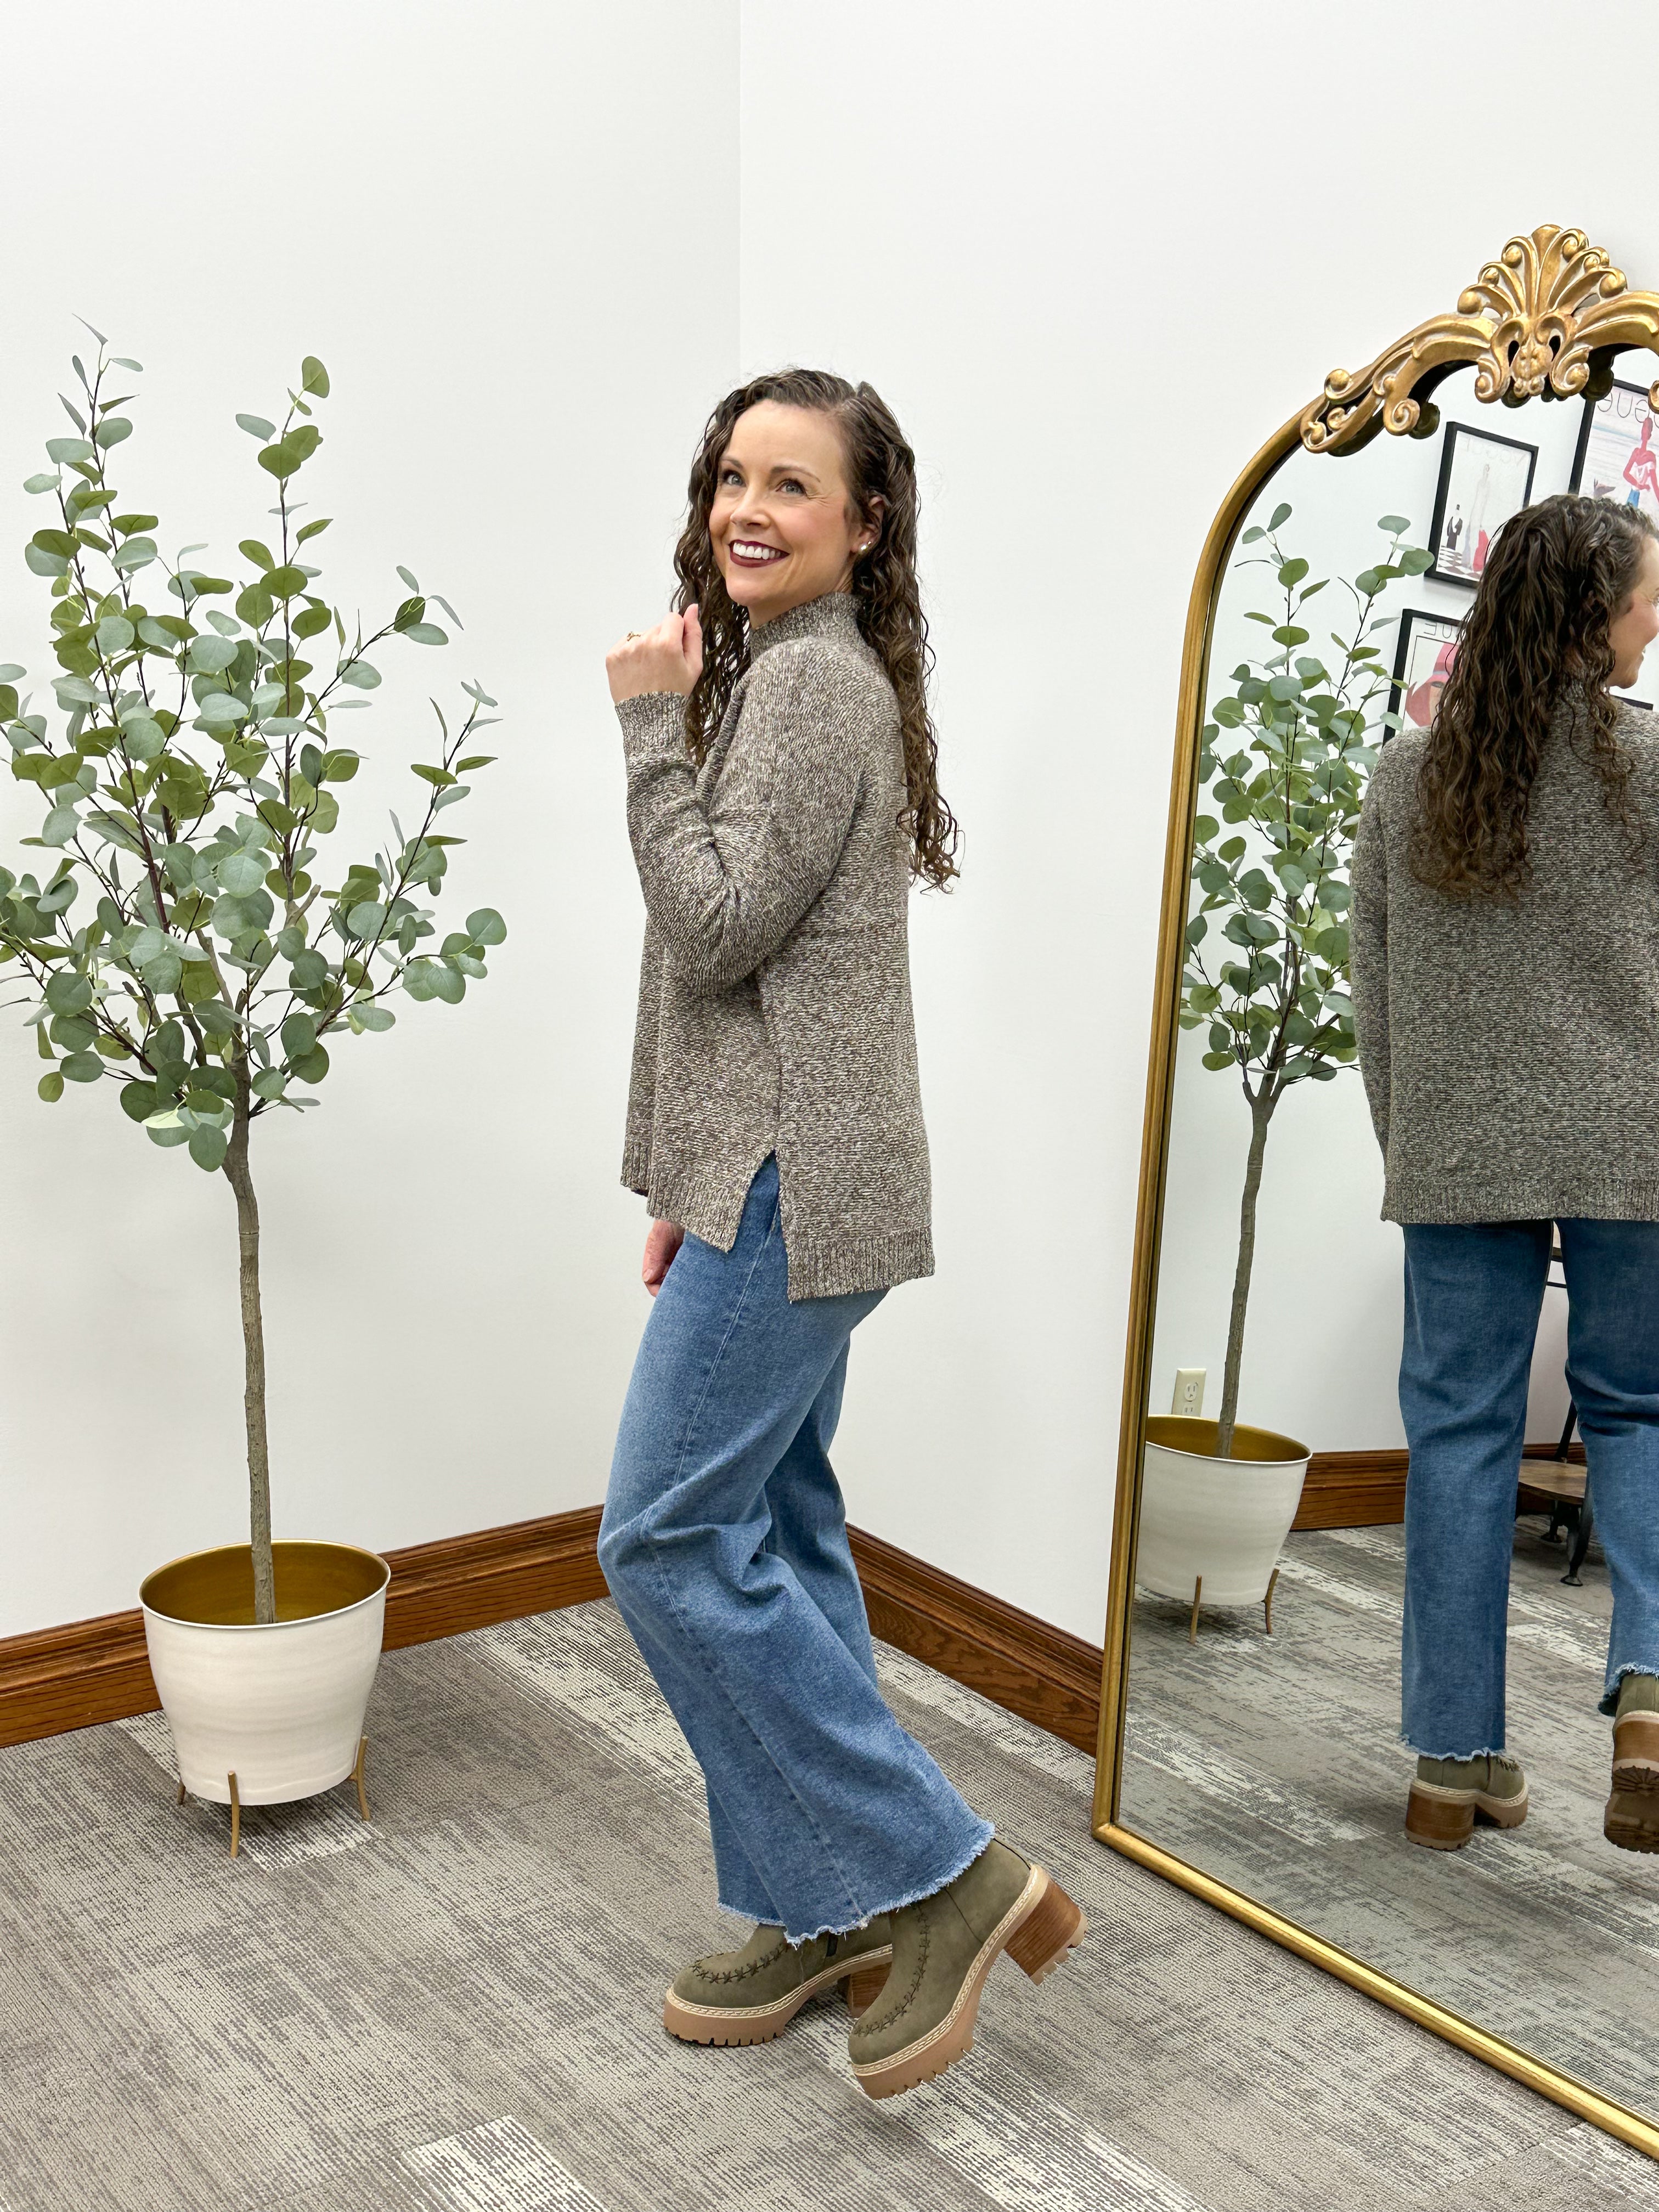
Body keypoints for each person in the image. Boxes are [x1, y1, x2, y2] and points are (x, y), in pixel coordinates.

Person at [597, 368, 1084, 2098]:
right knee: (780, 1537)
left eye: (791, 486)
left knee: (659, 1537)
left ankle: (941, 1876)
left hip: (801, 1182)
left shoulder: (806, 690)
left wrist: (649, 731)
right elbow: (740, 991)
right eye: (734, 474)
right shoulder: (785, 674)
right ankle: (823, 1905)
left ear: (866, 527)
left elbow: (715, 930)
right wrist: (684, 1178)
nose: (748, 507)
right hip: (773, 1173)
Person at [1352, 492, 1659, 1856]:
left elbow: (1379, 997)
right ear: (1599, 619)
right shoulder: (1650, 766)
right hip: (1637, 1141)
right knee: (1642, 1414)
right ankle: (1649, 1689)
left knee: (1460, 1434)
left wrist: (1410, 1136)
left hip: (1458, 1140)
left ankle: (1450, 1765)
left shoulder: (1407, 775)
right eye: (1650, 598)